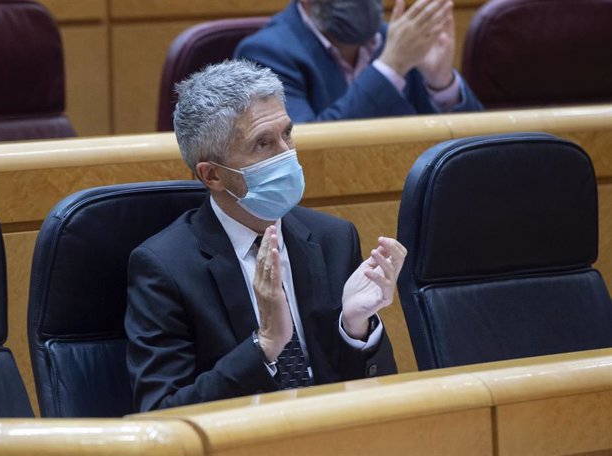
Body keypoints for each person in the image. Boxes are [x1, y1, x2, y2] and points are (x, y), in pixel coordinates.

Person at [126, 60, 406, 412]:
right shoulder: (165, 269)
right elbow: (162, 412)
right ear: (212, 175)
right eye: (263, 144)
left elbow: (373, 393)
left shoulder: (332, 239)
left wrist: (356, 329)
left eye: (286, 133)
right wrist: (265, 346)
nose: (287, 154)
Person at [234, 0, 483, 123]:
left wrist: (441, 84)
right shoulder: (265, 54)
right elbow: (305, 153)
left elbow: (475, 146)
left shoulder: (397, 40)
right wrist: (390, 69)